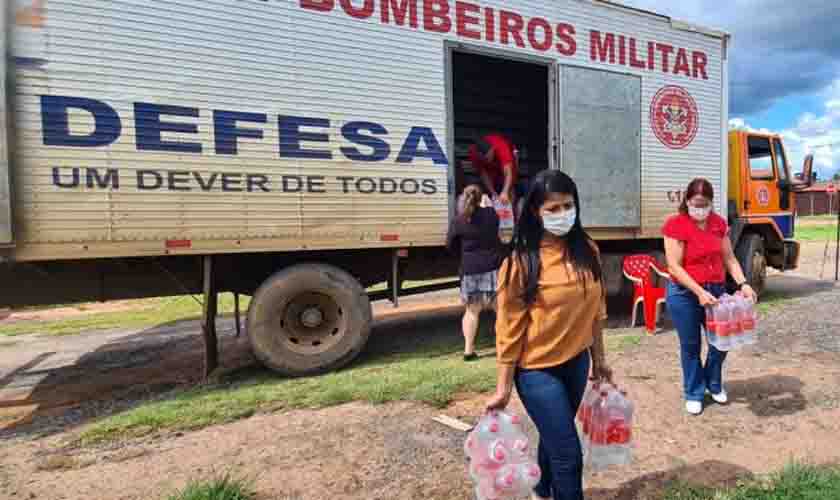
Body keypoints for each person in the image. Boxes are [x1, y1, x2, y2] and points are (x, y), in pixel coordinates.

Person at [486, 170, 612, 500]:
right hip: (536, 371)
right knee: (568, 454)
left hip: (576, 364)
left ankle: (542, 489)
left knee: (555, 434)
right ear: (535, 212)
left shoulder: (587, 250)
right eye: (552, 209)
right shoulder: (521, 262)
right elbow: (508, 327)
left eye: (567, 206)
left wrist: (599, 359)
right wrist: (503, 387)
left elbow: (595, 310)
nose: (562, 215)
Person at [663, 178, 758, 416]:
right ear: (687, 201)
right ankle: (694, 392)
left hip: (715, 291)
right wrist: (698, 291)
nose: (701, 208)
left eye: (705, 204)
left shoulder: (718, 224)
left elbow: (729, 259)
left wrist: (743, 283)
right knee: (691, 346)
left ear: (711, 203)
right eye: (696, 203)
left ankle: (713, 382)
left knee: (721, 341)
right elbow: (674, 266)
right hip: (685, 293)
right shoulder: (676, 225)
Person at [447, 185, 503, 361]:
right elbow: (495, 228)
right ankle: (503, 346)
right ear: (481, 199)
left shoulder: (458, 221)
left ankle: (468, 351)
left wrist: (463, 257)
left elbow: (449, 244)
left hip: (470, 269)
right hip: (492, 268)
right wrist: (488, 206)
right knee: (500, 311)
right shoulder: (491, 216)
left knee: (472, 311)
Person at [467, 133, 519, 207]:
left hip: (509, 159)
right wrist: (493, 193)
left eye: (489, 156)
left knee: (510, 187)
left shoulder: (501, 146)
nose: (488, 159)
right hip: (492, 168)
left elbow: (508, 171)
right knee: (493, 195)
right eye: (485, 158)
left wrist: (505, 191)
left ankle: (512, 211)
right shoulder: (473, 153)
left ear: (492, 149)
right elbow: (483, 174)